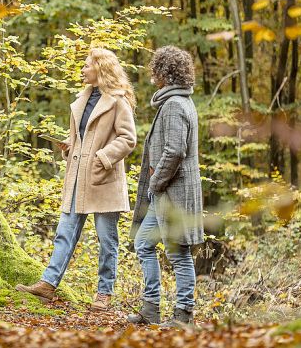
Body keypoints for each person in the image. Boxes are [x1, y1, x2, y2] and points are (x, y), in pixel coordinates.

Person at [16, 48, 137, 311]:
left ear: (101, 68)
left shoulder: (118, 101)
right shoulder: (81, 100)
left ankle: (104, 294)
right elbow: (81, 139)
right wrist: (69, 145)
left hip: (103, 180)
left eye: (86, 66)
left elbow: (128, 139)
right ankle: (48, 283)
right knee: (64, 232)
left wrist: (102, 158)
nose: (82, 70)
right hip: (77, 179)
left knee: (107, 240)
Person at [127, 46, 204, 327]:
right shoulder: (177, 101)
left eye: (155, 69)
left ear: (164, 73)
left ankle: (184, 316)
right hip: (166, 192)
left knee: (178, 253)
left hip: (173, 193)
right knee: (143, 243)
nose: (152, 74)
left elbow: (174, 151)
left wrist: (156, 182)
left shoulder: (174, 105)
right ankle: (150, 309)